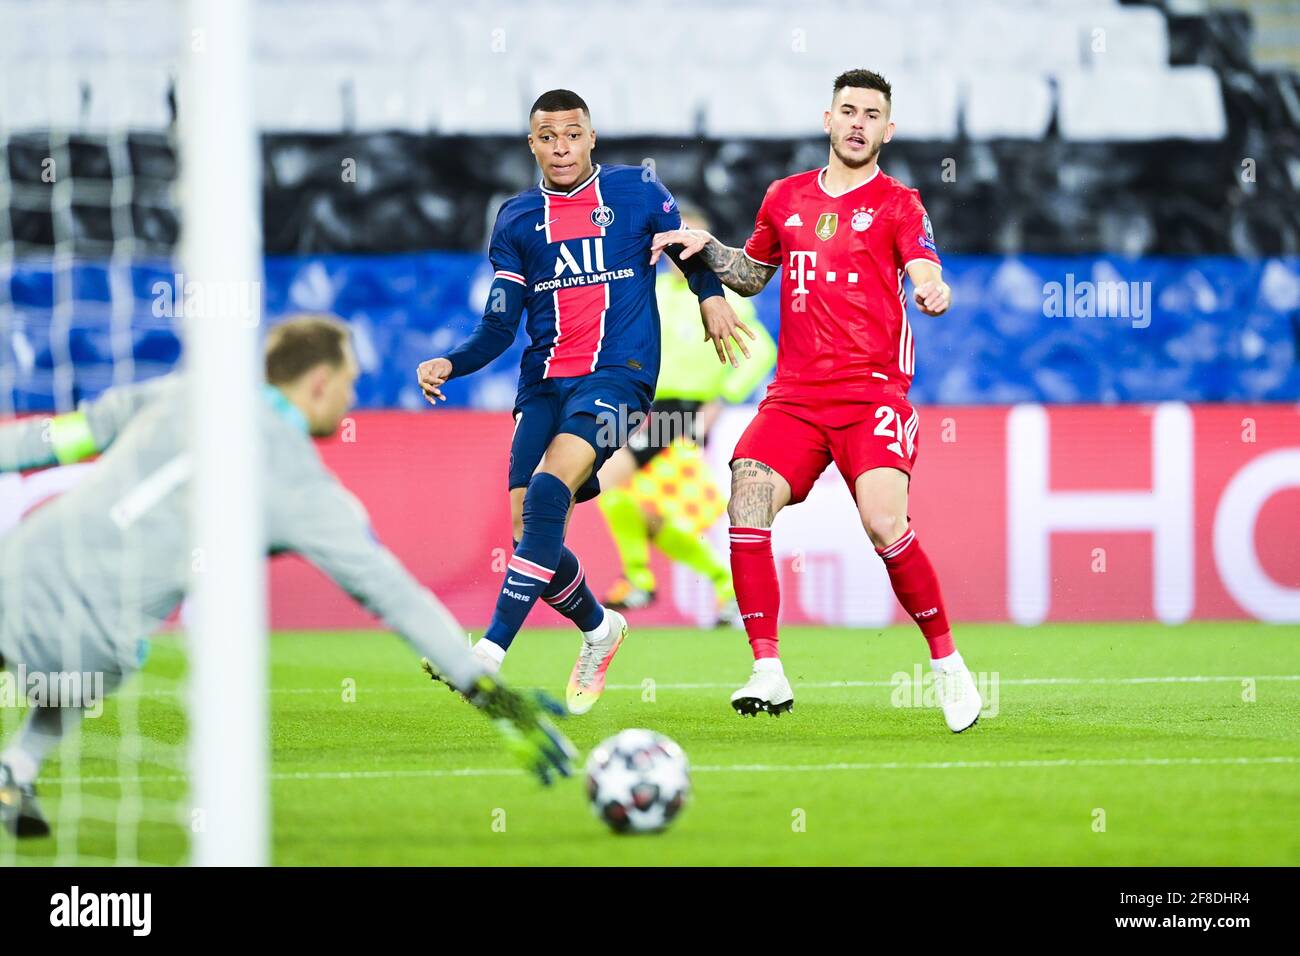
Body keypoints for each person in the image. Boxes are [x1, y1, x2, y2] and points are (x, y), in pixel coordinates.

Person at [0, 314, 575, 838]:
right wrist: (483, 690)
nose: (351, 402)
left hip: (20, 564)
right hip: (89, 640)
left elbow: (60, 437)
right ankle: (17, 766)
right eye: (348, 384)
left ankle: (15, 770)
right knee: (104, 662)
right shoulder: (303, 490)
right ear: (319, 383)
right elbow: (392, 593)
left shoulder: (183, 393)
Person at [649, 69, 983, 732]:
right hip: (796, 397)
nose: (858, 123)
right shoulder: (786, 198)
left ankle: (947, 666)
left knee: (885, 523)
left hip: (871, 393)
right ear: (827, 119)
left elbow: (922, 264)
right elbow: (751, 275)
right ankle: (767, 669)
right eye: (848, 111)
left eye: (872, 115)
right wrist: (710, 251)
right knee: (746, 489)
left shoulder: (900, 204)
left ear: (888, 130)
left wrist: (931, 287)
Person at [417, 89, 751, 715]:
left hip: (621, 378)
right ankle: (600, 629)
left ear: (591, 137)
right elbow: (497, 326)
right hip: (542, 384)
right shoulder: (516, 220)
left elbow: (685, 247)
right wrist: (450, 362)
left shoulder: (637, 193)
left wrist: (709, 295)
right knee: (527, 532)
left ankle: (487, 653)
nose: (561, 146)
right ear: (533, 145)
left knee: (550, 492)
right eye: (548, 136)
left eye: (572, 134)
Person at [596, 206, 777, 625]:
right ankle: (726, 588)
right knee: (651, 513)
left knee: (606, 481)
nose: (686, 253)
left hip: (687, 411)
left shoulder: (721, 295)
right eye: (678, 243)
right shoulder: (654, 291)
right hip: (650, 407)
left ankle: (640, 579)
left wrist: (720, 399)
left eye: (693, 243)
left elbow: (761, 352)